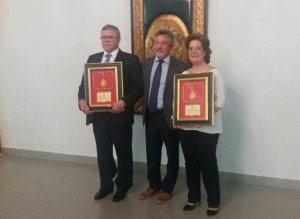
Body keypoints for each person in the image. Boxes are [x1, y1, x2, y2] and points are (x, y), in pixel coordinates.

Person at [78, 24, 143, 202]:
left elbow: (138, 88)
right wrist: (81, 101)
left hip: (120, 116)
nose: (106, 40)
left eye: (110, 37)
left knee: (123, 153)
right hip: (98, 117)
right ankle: (105, 185)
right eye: (103, 37)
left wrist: (123, 102)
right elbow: (83, 86)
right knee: (103, 153)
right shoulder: (93, 58)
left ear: (118, 39)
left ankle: (123, 185)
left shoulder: (130, 59)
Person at [177, 33, 225, 216]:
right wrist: (178, 116)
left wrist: (202, 117)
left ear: (205, 51)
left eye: (198, 48)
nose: (194, 51)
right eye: (191, 48)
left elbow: (220, 101)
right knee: (190, 163)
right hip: (186, 127)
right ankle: (193, 197)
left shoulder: (214, 73)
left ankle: (213, 201)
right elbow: (179, 101)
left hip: (207, 128)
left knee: (208, 164)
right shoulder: (184, 75)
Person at [139, 30, 188, 203]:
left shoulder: (180, 66)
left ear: (171, 46)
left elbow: (185, 93)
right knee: (151, 153)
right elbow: (139, 88)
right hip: (151, 115)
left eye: (163, 43)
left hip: (170, 116)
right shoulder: (145, 64)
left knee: (172, 154)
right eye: (157, 42)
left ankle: (168, 188)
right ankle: (153, 184)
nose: (159, 46)